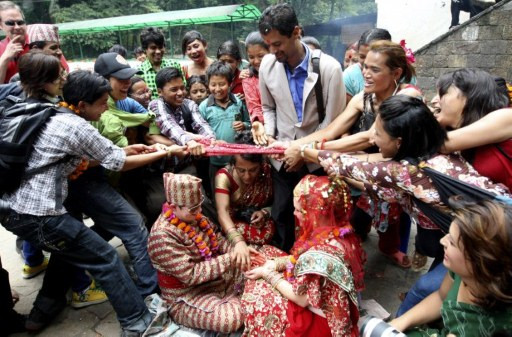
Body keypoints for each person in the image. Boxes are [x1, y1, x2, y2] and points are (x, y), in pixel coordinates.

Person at [0, 51, 182, 336]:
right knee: (107, 257)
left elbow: (84, 156)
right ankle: (138, 322)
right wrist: (167, 150)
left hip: (12, 207)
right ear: (83, 103)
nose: (105, 109)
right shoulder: (70, 123)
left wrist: (126, 150)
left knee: (72, 248)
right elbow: (116, 161)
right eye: (101, 104)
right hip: (41, 211)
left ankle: (42, 311)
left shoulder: (26, 106)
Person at [315, 95, 510, 266]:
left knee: (425, 291)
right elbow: (388, 193)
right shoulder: (428, 156)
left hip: (489, 242)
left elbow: (348, 165)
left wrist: (302, 150)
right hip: (475, 235)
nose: (372, 139)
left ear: (399, 141)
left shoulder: (408, 171)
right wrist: (343, 177)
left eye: (378, 133)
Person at [396, 68, 511, 316]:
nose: (437, 100)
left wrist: (427, 122)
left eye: (444, 93)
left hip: (501, 233)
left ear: (467, 96)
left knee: (428, 288)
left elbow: (439, 144)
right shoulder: (465, 134)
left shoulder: (505, 117)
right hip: (480, 229)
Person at [258, 3, 345, 251]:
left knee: (317, 219)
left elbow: (333, 124)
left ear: (296, 32)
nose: (273, 51)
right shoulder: (267, 65)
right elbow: (268, 108)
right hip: (280, 157)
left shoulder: (329, 68)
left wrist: (302, 151)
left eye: (278, 44)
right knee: (282, 214)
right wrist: (269, 135)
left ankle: (315, 267)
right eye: (268, 45)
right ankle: (285, 267)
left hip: (316, 158)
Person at [242, 175, 365, 337]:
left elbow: (301, 299)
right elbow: (298, 260)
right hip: (336, 312)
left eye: (299, 210)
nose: (295, 213)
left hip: (320, 325)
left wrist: (267, 274)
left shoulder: (318, 255)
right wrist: (276, 264)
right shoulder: (342, 233)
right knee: (268, 253)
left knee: (258, 292)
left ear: (316, 213)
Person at [390, 199, 512, 336]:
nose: (443, 241)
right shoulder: (463, 271)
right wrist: (401, 322)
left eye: (452, 242)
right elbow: (442, 297)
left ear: (480, 261)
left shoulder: (482, 328)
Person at [147, 173, 247, 333]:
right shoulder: (162, 236)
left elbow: (217, 239)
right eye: (194, 209)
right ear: (173, 207)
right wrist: (231, 258)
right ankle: (242, 297)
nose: (200, 211)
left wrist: (238, 252)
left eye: (200, 205)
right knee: (230, 319)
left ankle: (239, 295)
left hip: (216, 279)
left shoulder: (195, 216)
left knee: (255, 257)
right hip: (186, 297)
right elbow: (191, 275)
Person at [215, 131, 274, 271]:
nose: (247, 176)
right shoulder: (224, 177)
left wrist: (264, 212)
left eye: (253, 170)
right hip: (234, 228)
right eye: (241, 170)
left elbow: (279, 203)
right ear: (233, 164)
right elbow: (222, 212)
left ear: (261, 164)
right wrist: (238, 241)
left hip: (261, 225)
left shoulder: (268, 171)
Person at [199, 61, 250, 193]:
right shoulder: (204, 107)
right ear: (208, 84)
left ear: (230, 83)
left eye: (222, 84)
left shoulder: (238, 102)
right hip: (215, 161)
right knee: (218, 193)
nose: (217, 89)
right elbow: (199, 131)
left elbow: (249, 124)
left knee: (239, 193)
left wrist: (244, 125)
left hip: (237, 160)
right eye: (213, 85)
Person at [92, 52, 153, 147]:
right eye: (121, 78)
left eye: (129, 77)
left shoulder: (126, 101)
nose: (128, 83)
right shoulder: (98, 112)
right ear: (104, 80)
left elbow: (151, 122)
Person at [343, 28, 391, 104]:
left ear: (396, 74)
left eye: (375, 70)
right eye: (362, 56)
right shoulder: (349, 76)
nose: (366, 62)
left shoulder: (406, 85)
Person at [138, 27, 182, 100]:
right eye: (153, 48)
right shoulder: (139, 72)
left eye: (160, 47)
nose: (158, 51)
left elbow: (183, 88)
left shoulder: (174, 65)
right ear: (145, 49)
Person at [241, 31, 269, 144]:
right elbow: (254, 106)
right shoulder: (248, 78)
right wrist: (258, 122)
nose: (256, 61)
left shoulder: (281, 71)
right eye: (251, 57)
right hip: (265, 128)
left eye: (261, 56)